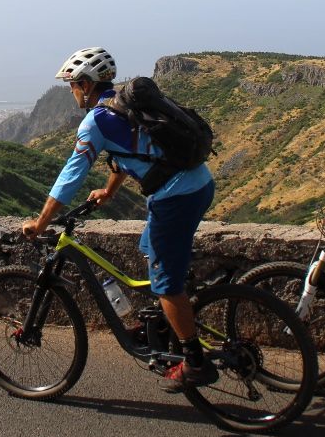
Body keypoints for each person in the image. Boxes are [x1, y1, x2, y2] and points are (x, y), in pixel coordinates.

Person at [21, 47, 218, 391]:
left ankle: (194, 361)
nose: (72, 92)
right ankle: (164, 323)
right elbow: (133, 151)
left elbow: (71, 174)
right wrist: (109, 191)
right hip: (198, 184)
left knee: (165, 282)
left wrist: (40, 224)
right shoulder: (125, 103)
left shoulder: (96, 119)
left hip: (176, 196)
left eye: (72, 85)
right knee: (149, 248)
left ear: (85, 83)